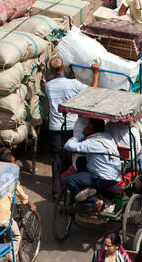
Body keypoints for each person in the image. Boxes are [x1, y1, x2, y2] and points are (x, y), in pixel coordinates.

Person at [45, 57, 99, 196]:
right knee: (74, 156)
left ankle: (56, 190)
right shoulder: (73, 84)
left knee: (57, 158)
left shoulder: (48, 86)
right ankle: (72, 185)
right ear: (64, 68)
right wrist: (96, 74)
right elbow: (92, 92)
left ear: (51, 71)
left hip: (55, 127)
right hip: (72, 127)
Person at [63, 117, 125, 213]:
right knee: (81, 161)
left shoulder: (93, 142)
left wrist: (81, 135)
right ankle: (88, 188)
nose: (85, 127)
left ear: (91, 127)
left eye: (87, 126)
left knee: (70, 180)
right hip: (113, 173)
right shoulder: (107, 136)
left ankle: (94, 202)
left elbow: (68, 145)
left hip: (102, 179)